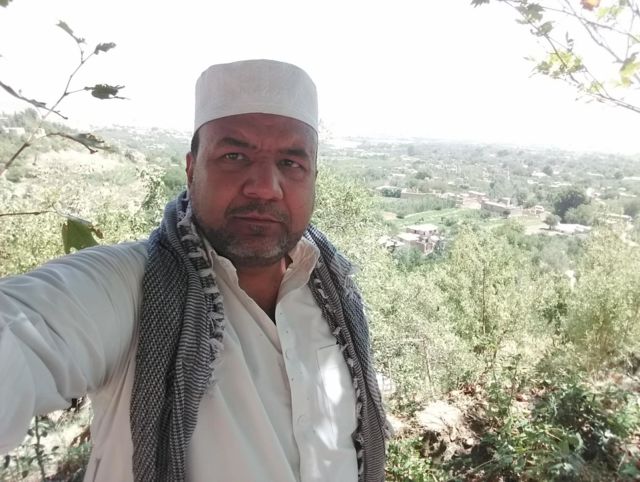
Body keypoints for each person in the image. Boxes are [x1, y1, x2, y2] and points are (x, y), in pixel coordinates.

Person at [0, 59, 388, 482]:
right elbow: (22, 332)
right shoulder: (134, 287)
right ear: (191, 169)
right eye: (234, 156)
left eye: (291, 163)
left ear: (312, 177)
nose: (264, 186)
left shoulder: (336, 296)